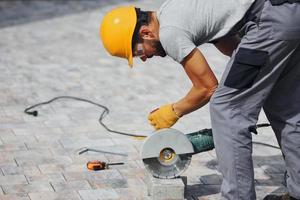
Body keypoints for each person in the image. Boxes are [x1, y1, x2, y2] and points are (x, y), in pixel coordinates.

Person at [99, 0, 300, 199]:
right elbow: (231, 43)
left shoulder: (169, 31)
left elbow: (207, 87)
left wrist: (173, 111)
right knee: (285, 108)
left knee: (228, 109)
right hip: (288, 13)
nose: (143, 58)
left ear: (146, 33)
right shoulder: (172, 9)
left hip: (269, 21)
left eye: (139, 51)